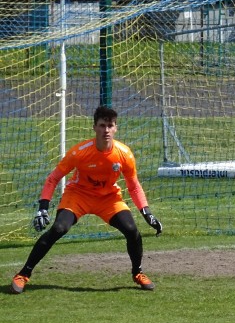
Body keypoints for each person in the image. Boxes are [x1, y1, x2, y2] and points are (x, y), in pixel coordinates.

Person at [9, 106, 163, 294]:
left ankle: (137, 273)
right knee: (59, 228)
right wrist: (43, 207)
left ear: (116, 128)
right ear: (94, 128)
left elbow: (134, 185)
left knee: (132, 230)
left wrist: (146, 212)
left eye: (110, 125)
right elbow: (53, 178)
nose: (106, 130)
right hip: (78, 196)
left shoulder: (125, 154)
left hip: (109, 198)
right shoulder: (79, 152)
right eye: (102, 125)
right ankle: (24, 274)